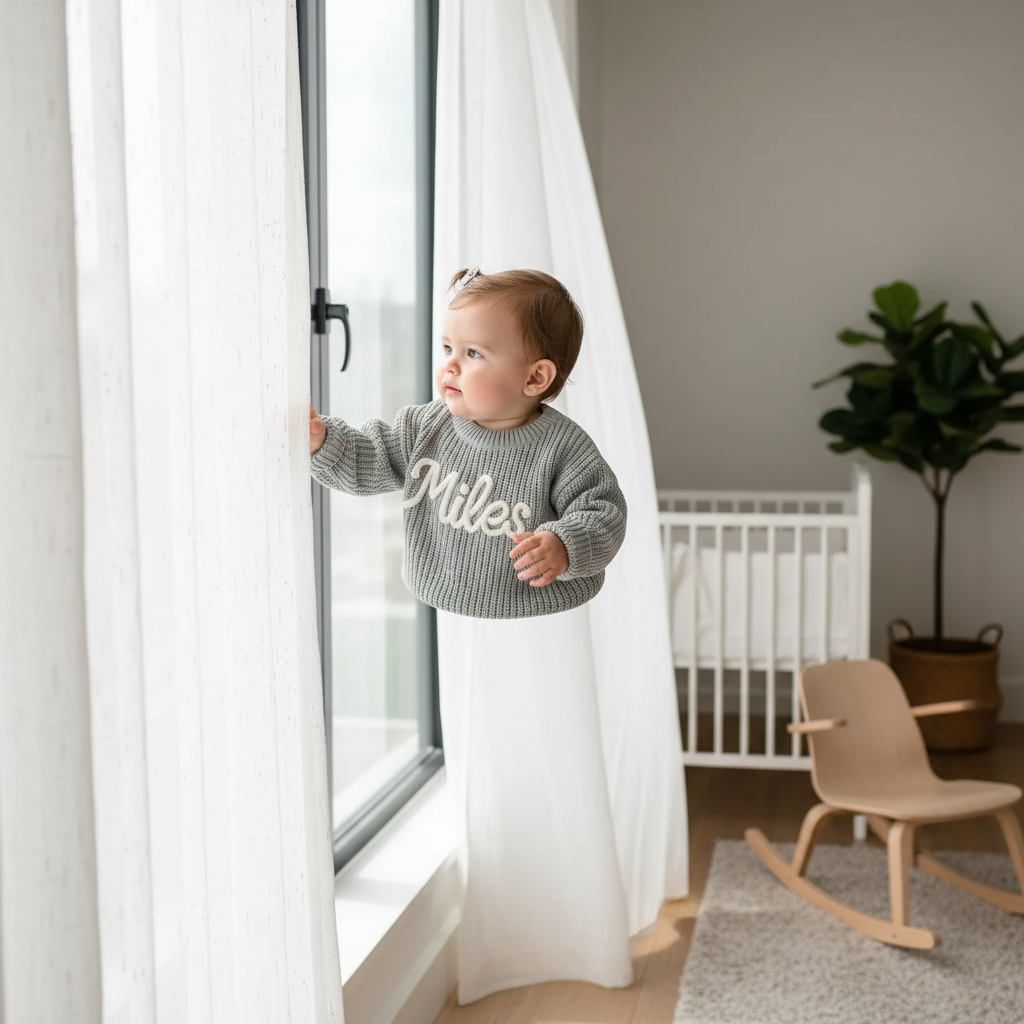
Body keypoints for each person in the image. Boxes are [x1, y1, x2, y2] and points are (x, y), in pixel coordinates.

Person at [310, 268, 634, 1002]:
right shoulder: (428, 425)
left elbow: (605, 512)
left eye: (474, 354)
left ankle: (554, 895)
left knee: (537, 752)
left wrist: (563, 543)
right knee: (475, 749)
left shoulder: (562, 446)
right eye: (447, 347)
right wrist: (323, 438)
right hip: (451, 614)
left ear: (536, 376)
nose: (449, 365)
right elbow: (368, 462)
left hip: (540, 624)